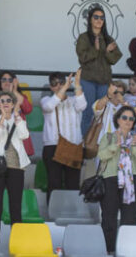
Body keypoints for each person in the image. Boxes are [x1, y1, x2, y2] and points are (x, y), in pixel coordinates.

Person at [98, 106, 136, 254]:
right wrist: (115, 145)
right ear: (118, 119)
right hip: (111, 179)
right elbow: (101, 155)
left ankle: (127, 250)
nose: (128, 121)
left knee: (130, 217)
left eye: (131, 119)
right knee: (109, 217)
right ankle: (109, 250)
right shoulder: (108, 137)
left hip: (132, 181)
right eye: (124, 118)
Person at [0, 90, 31, 233]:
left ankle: (17, 242)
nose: (5, 103)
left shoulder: (19, 120)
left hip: (16, 166)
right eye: (2, 101)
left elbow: (24, 135)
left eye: (8, 101)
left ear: (13, 105)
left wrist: (16, 116)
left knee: (15, 207)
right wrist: (1, 120)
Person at [76, 6, 122, 136]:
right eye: (96, 17)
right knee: (88, 113)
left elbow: (115, 58)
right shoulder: (83, 38)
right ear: (90, 19)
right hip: (88, 81)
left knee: (103, 113)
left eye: (102, 17)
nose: (99, 20)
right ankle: (86, 148)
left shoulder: (108, 38)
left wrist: (107, 52)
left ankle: (99, 147)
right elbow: (82, 58)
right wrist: (95, 49)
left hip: (104, 81)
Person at [41, 70, 86, 201]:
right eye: (54, 84)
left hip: (74, 146)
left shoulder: (74, 100)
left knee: (73, 185)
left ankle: (72, 214)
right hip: (53, 146)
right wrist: (66, 87)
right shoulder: (46, 100)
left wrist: (77, 84)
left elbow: (83, 105)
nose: (59, 86)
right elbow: (49, 106)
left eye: (61, 83)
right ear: (50, 87)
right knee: (54, 184)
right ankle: (52, 214)